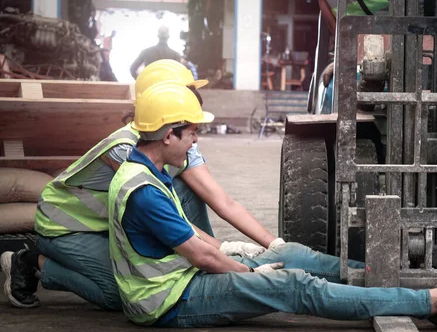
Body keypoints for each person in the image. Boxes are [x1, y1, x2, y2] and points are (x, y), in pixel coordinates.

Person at [107, 80, 437, 328]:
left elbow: (196, 239)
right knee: (294, 285)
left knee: (291, 255)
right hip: (170, 301)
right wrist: (249, 271)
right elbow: (203, 259)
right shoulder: (142, 189)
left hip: (183, 278)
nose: (195, 142)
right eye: (191, 134)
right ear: (168, 135)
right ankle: (430, 302)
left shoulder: (150, 170)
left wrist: (244, 252)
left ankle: (392, 281)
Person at [1, 59, 279, 311]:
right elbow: (162, 213)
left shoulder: (180, 140)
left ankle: (208, 267)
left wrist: (274, 244)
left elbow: (222, 201)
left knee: (189, 192)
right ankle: (31, 263)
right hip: (67, 228)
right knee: (120, 294)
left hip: (106, 225)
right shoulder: (127, 149)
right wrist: (218, 250)